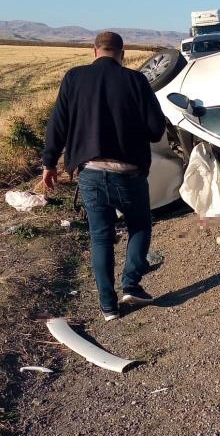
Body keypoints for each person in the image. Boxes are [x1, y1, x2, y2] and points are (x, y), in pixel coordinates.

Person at [42, 31, 167, 321]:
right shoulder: (136, 80)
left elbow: (58, 122)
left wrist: (49, 163)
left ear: (93, 51)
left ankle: (108, 307)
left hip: (91, 173)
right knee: (139, 225)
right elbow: (155, 129)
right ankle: (132, 284)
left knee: (100, 236)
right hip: (129, 173)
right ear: (122, 54)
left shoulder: (74, 78)